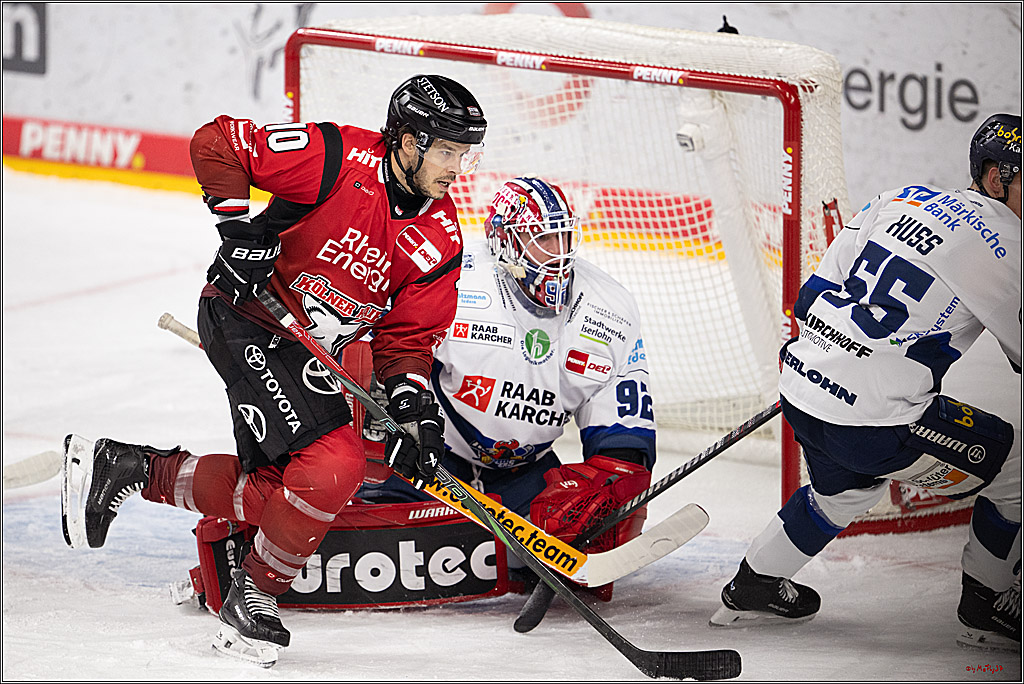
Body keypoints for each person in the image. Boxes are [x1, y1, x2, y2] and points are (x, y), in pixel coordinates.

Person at [60, 74, 487, 666]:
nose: (456, 168)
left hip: (309, 352)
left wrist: (413, 405)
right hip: (246, 317)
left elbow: (408, 339)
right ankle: (254, 597)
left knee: (285, 499)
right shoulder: (336, 157)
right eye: (446, 151)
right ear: (407, 142)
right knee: (334, 467)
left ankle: (131, 468)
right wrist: (236, 231)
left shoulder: (440, 238)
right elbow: (218, 141)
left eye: (465, 153)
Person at [710, 114, 1022, 651]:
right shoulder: (1011, 244)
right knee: (1016, 471)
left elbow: (813, 293)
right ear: (996, 178)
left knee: (846, 492)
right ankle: (985, 603)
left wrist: (831, 358)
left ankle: (754, 581)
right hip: (877, 420)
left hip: (802, 386)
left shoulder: (901, 198)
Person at [357, 175, 658, 598]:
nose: (558, 256)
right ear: (504, 242)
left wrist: (604, 489)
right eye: (542, 240)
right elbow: (391, 351)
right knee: (372, 536)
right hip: (435, 457)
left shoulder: (610, 308)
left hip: (526, 470)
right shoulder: (454, 276)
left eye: (562, 238)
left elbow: (623, 431)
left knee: (606, 522)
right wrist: (393, 424)